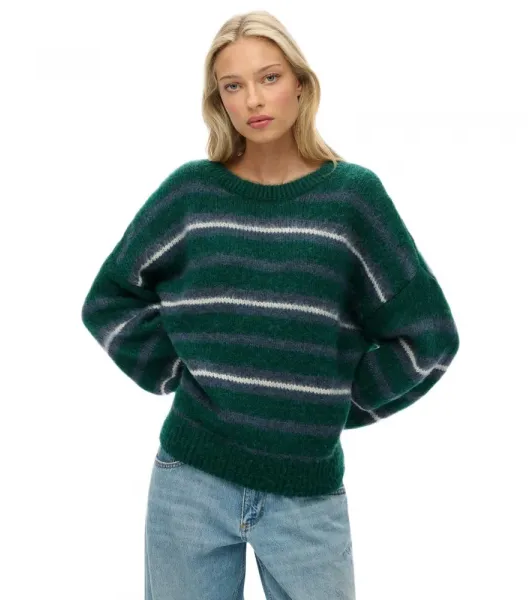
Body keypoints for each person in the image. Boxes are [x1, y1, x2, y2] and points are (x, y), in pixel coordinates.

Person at [81, 10, 460, 600]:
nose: (253, 99)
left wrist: (335, 403)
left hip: (306, 496)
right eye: (233, 85)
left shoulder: (351, 199)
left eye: (270, 77)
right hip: (190, 484)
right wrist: (179, 372)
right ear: (220, 101)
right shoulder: (192, 193)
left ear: (301, 85)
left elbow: (428, 337)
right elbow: (110, 300)